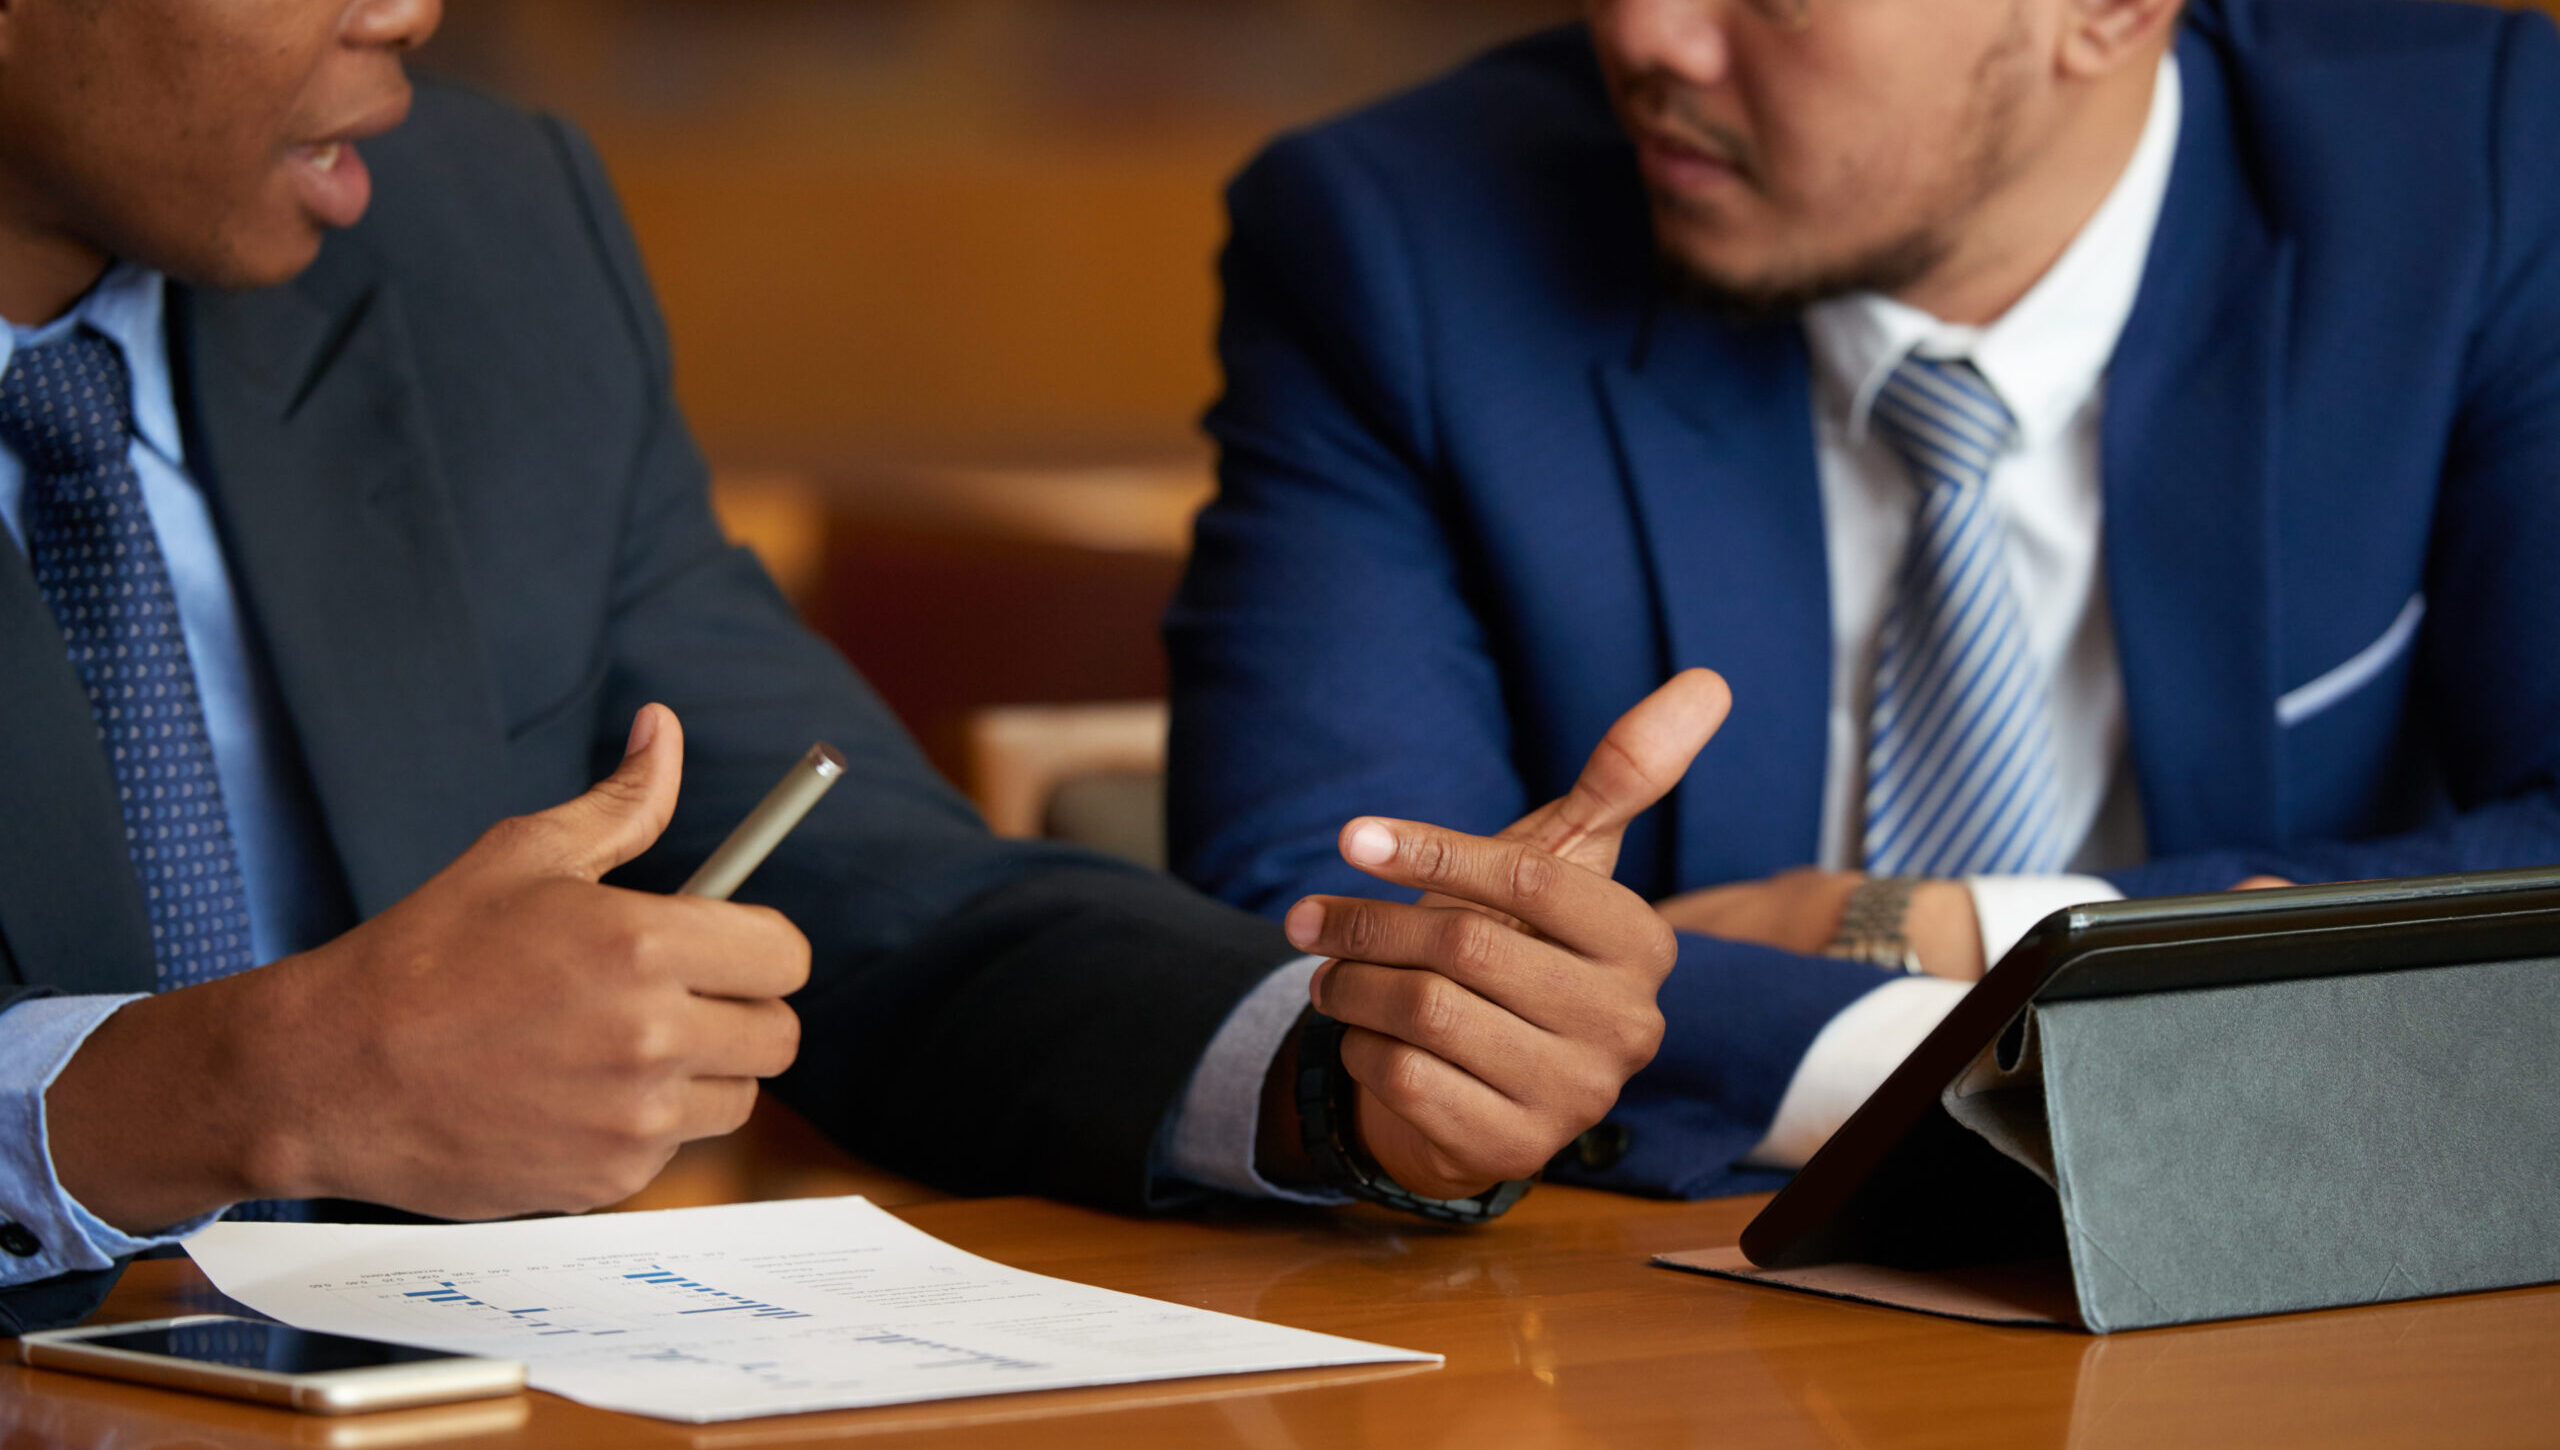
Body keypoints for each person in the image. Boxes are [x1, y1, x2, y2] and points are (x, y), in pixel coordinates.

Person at [0, 0, 1715, 1334]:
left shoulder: (478, 236)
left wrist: (1351, 1067)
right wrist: (242, 1085)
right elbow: (286, 1073)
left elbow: (893, 899)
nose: (413, 12)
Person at [1168, 0, 2560, 1199]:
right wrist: (2131, 1037)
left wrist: (1939, 926)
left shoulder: (2478, 164)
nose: (1645, 34)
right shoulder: (1398, 237)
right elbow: (1335, 950)